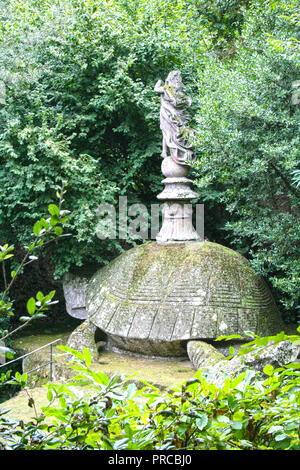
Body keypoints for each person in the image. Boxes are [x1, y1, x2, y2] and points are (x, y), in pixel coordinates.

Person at [154, 70, 194, 166]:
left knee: (171, 132)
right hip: (169, 114)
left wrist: (159, 82)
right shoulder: (169, 89)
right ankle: (165, 151)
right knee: (167, 131)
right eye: (177, 79)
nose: (178, 82)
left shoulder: (171, 90)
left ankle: (170, 152)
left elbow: (156, 89)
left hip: (174, 115)